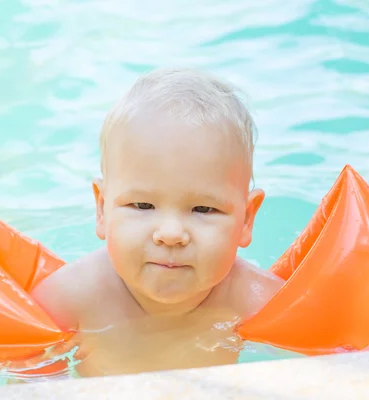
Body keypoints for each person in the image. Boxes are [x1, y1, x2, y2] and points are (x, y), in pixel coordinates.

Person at [30, 67, 285, 377]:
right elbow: (24, 379)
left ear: (247, 219)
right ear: (102, 209)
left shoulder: (260, 303)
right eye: (142, 205)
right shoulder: (68, 301)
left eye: (203, 209)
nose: (171, 234)